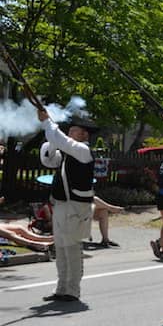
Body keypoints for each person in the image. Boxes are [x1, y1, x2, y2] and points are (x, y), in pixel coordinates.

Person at [38, 111, 98, 302]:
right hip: (62, 204)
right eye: (69, 130)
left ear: (84, 135)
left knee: (71, 248)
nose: (70, 133)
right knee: (62, 248)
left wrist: (47, 122)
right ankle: (61, 288)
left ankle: (73, 290)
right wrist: (53, 138)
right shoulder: (69, 152)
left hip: (76, 207)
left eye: (74, 131)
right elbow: (48, 159)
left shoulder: (83, 151)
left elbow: (63, 141)